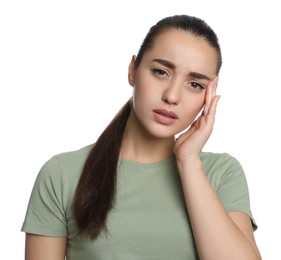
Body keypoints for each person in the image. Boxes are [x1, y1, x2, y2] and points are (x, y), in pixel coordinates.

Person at [21, 14, 262, 259]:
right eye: (160, 72)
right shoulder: (62, 174)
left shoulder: (221, 174)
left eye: (195, 85)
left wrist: (188, 161)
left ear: (209, 96)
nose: (172, 96)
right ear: (133, 70)